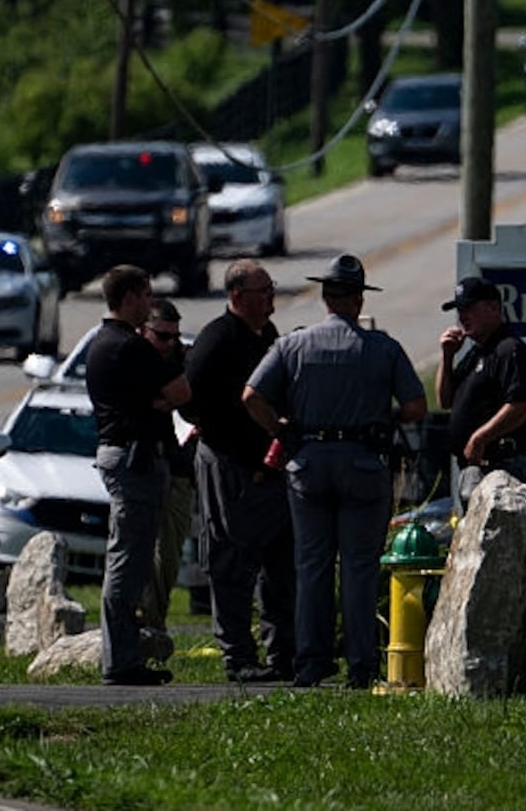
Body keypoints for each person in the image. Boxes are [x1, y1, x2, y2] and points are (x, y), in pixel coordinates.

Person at [243, 254, 428, 689]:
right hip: (364, 463)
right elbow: (417, 407)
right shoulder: (383, 348)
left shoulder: (293, 344)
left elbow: (251, 395)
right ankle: (361, 666)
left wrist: (281, 429)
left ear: (325, 298)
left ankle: (311, 662)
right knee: (360, 569)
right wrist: (389, 421)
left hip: (308, 462)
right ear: (359, 300)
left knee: (312, 567)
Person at [183, 260, 296, 683]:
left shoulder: (264, 334)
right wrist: (230, 435)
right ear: (237, 297)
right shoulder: (217, 340)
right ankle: (238, 656)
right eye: (262, 292)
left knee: (279, 561)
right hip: (230, 463)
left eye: (271, 290)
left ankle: (283, 652)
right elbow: (189, 401)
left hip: (266, 464)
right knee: (231, 559)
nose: (270, 299)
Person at [86, 265, 191, 686]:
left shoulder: (99, 343)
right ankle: (122, 661)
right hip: (135, 460)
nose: (149, 305)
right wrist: (159, 403)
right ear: (128, 297)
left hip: (122, 455)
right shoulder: (128, 346)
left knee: (129, 560)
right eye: (146, 296)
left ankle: (126, 656)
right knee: (129, 563)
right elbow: (181, 391)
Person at [436, 275, 526, 512]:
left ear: (494, 308)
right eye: (459, 309)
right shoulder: (474, 354)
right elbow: (445, 400)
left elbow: (520, 406)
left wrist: (480, 437)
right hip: (474, 470)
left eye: (469, 308)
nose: (462, 316)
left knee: (498, 546)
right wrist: (447, 356)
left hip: (502, 467)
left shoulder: (509, 349)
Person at [137, 298, 196, 640]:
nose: (169, 344)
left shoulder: (180, 360)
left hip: (176, 467)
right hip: (142, 466)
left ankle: (154, 624)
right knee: (137, 553)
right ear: (144, 331)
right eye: (162, 336)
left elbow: (186, 398)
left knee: (168, 557)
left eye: (174, 337)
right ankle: (138, 625)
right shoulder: (134, 358)